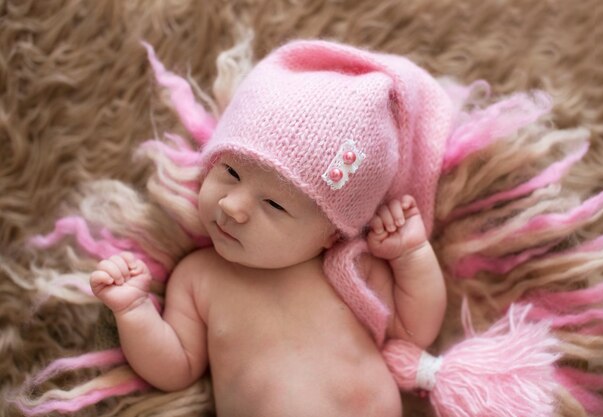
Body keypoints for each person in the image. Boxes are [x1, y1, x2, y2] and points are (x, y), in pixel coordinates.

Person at [90, 39, 451, 417]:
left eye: (274, 205)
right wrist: (134, 310)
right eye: (229, 172)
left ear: (331, 233)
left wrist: (411, 254)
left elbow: (414, 331)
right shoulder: (200, 278)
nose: (232, 206)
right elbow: (176, 367)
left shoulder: (349, 269)